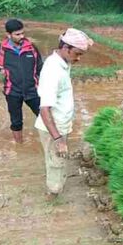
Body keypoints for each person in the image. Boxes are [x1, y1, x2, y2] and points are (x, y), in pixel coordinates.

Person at [35, 28, 93, 200]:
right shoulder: (53, 70)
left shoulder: (63, 63)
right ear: (66, 48)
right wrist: (58, 139)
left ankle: (58, 183)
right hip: (53, 128)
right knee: (56, 161)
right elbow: (44, 109)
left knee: (58, 159)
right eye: (77, 54)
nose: (78, 59)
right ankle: (53, 194)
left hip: (60, 125)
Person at [0, 19, 43, 143]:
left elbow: (40, 68)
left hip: (33, 91)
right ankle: (19, 145)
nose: (22, 36)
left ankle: (49, 141)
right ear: (8, 34)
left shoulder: (32, 49)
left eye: (23, 33)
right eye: (17, 34)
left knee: (45, 116)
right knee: (16, 121)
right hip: (12, 92)